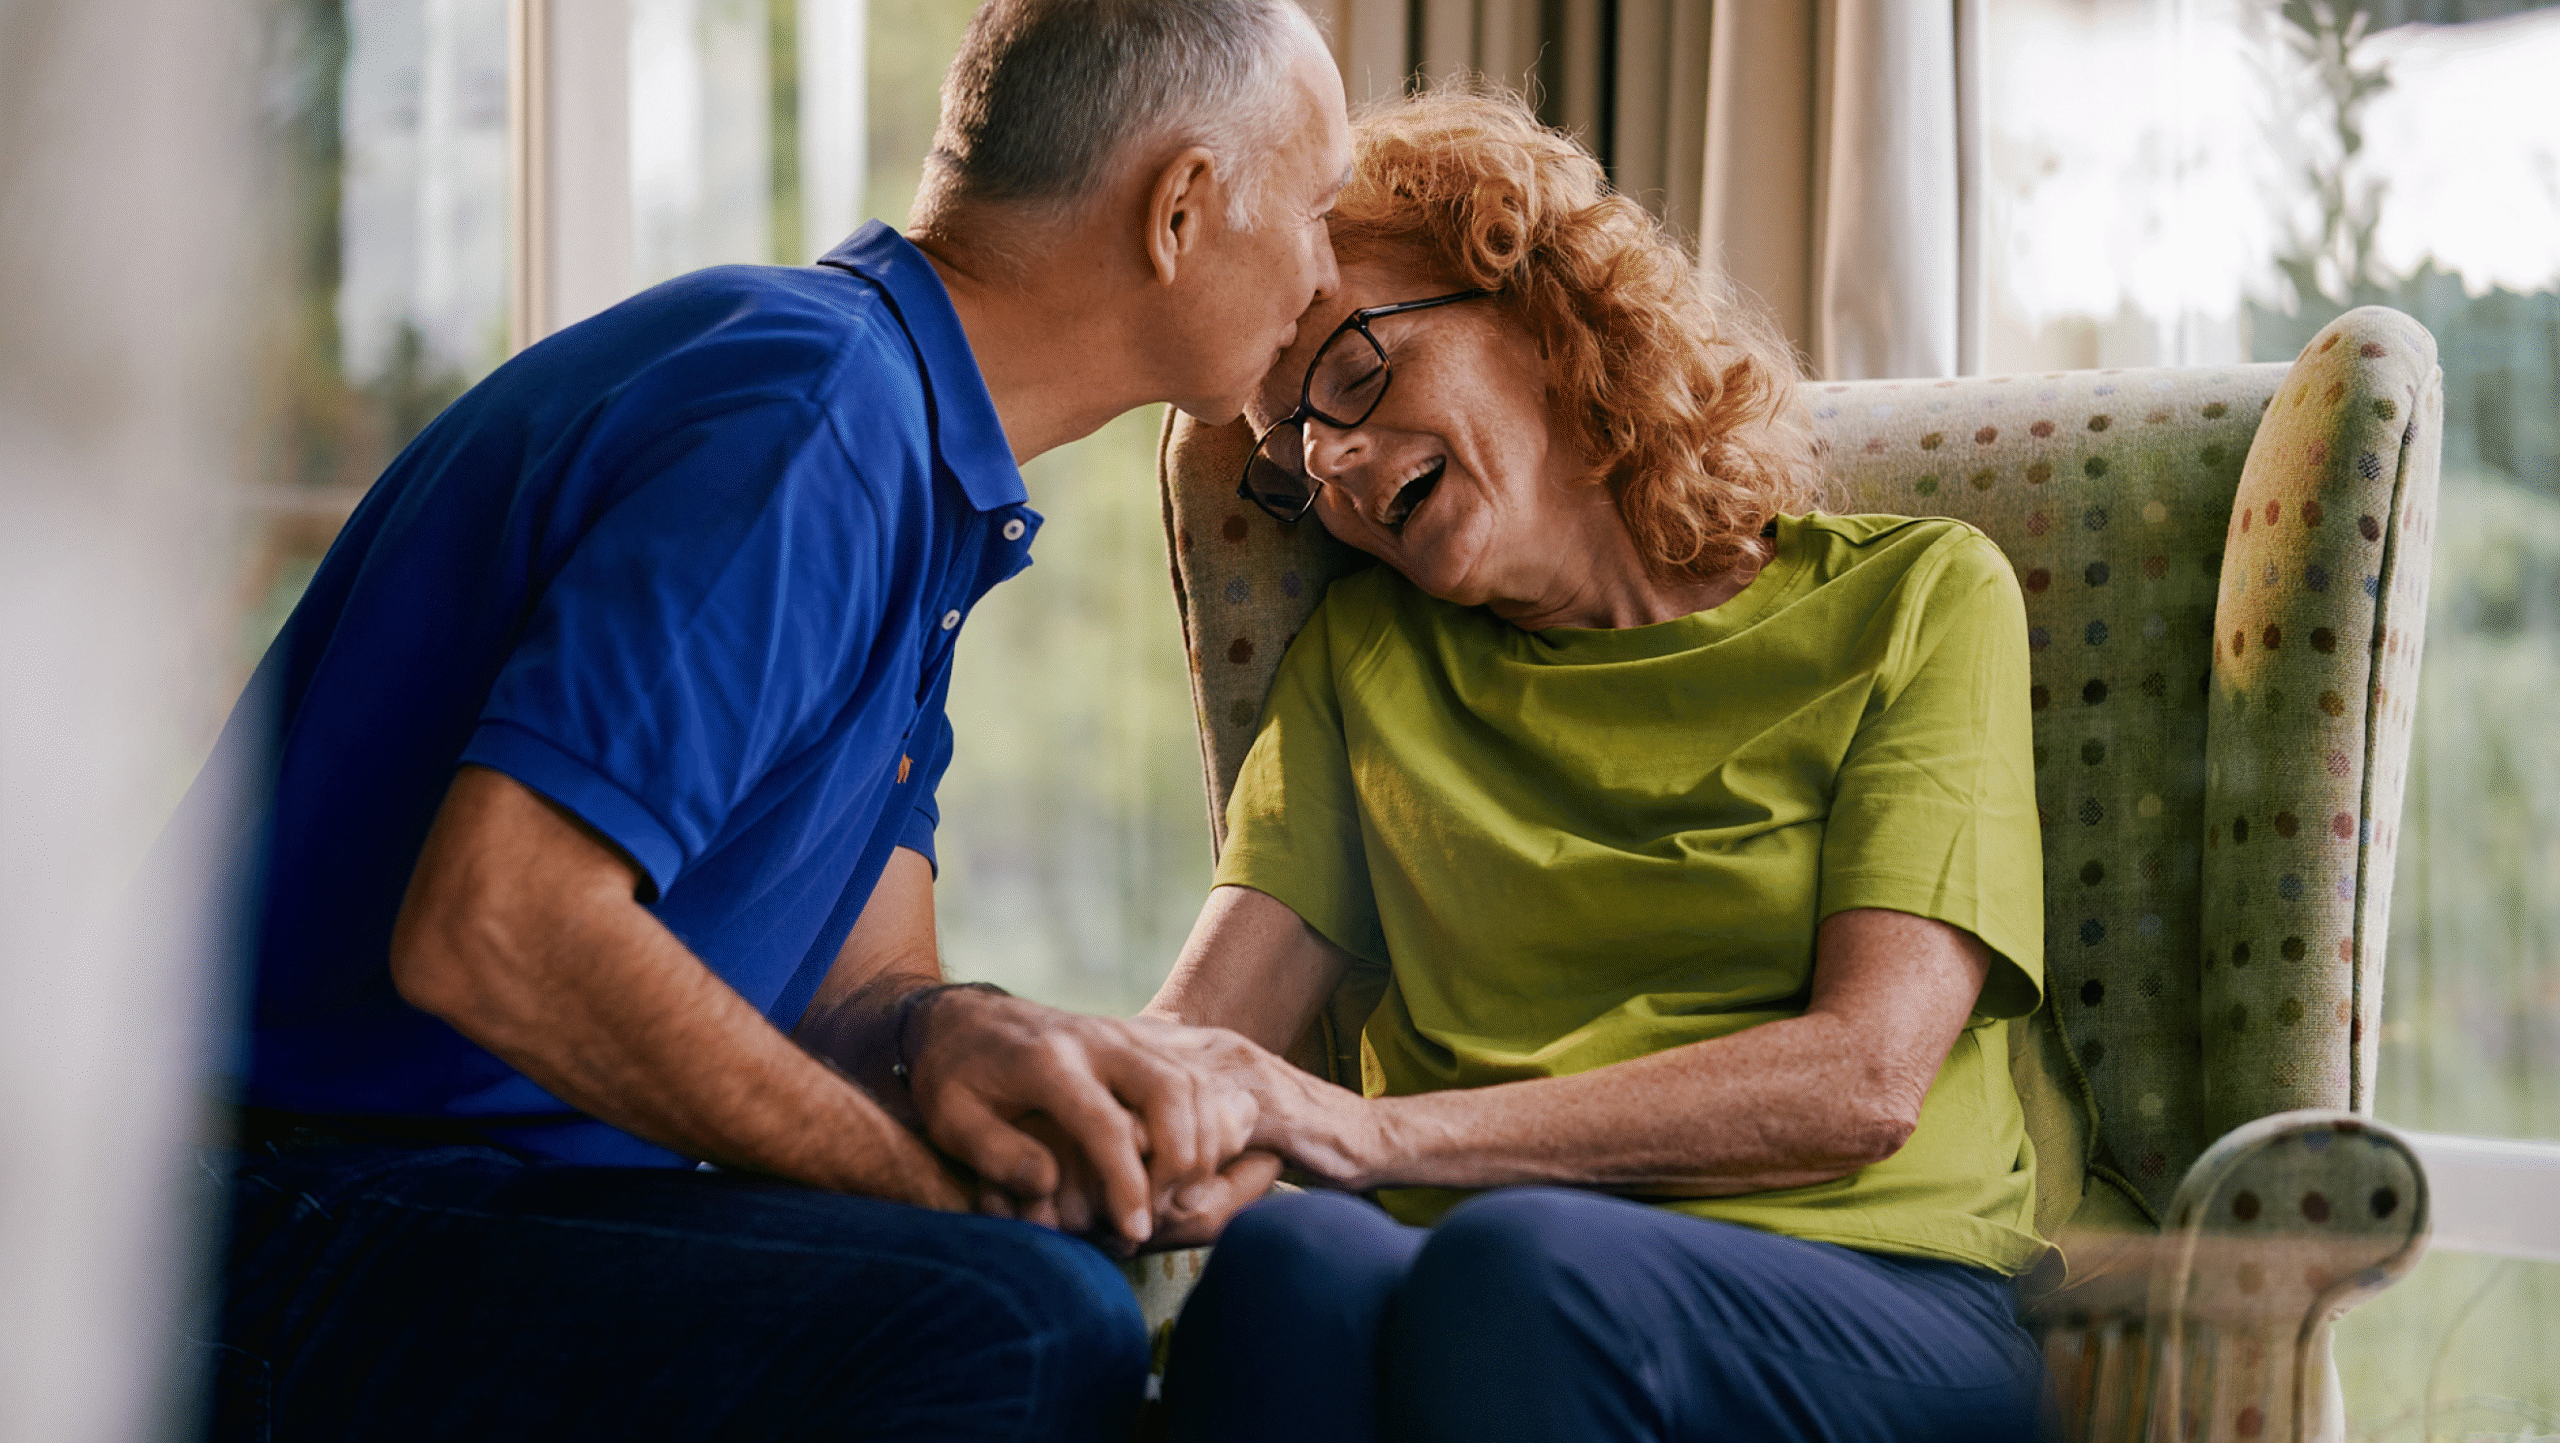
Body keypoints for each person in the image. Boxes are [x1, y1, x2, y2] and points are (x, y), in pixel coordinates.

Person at [193, 1, 1349, 1437]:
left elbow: (858, 995)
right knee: (1015, 1317)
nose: (1328, 270)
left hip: (430, 1198)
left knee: (1035, 1270)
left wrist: (973, 1050)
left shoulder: (916, 473)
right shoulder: (813, 413)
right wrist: (921, 1191)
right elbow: (495, 922)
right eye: (1319, 214)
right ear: (1180, 211)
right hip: (253, 1216)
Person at [1148, 89, 2053, 1442]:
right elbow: (1200, 1040)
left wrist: (1378, 1138)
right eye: (1292, 452)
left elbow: (1862, 1080)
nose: (1330, 462)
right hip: (1480, 1266)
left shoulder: (1918, 602)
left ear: (1535, 303)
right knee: (1294, 1268)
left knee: (1520, 1272)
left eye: (1349, 376)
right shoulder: (1364, 665)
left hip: (1874, 1287)